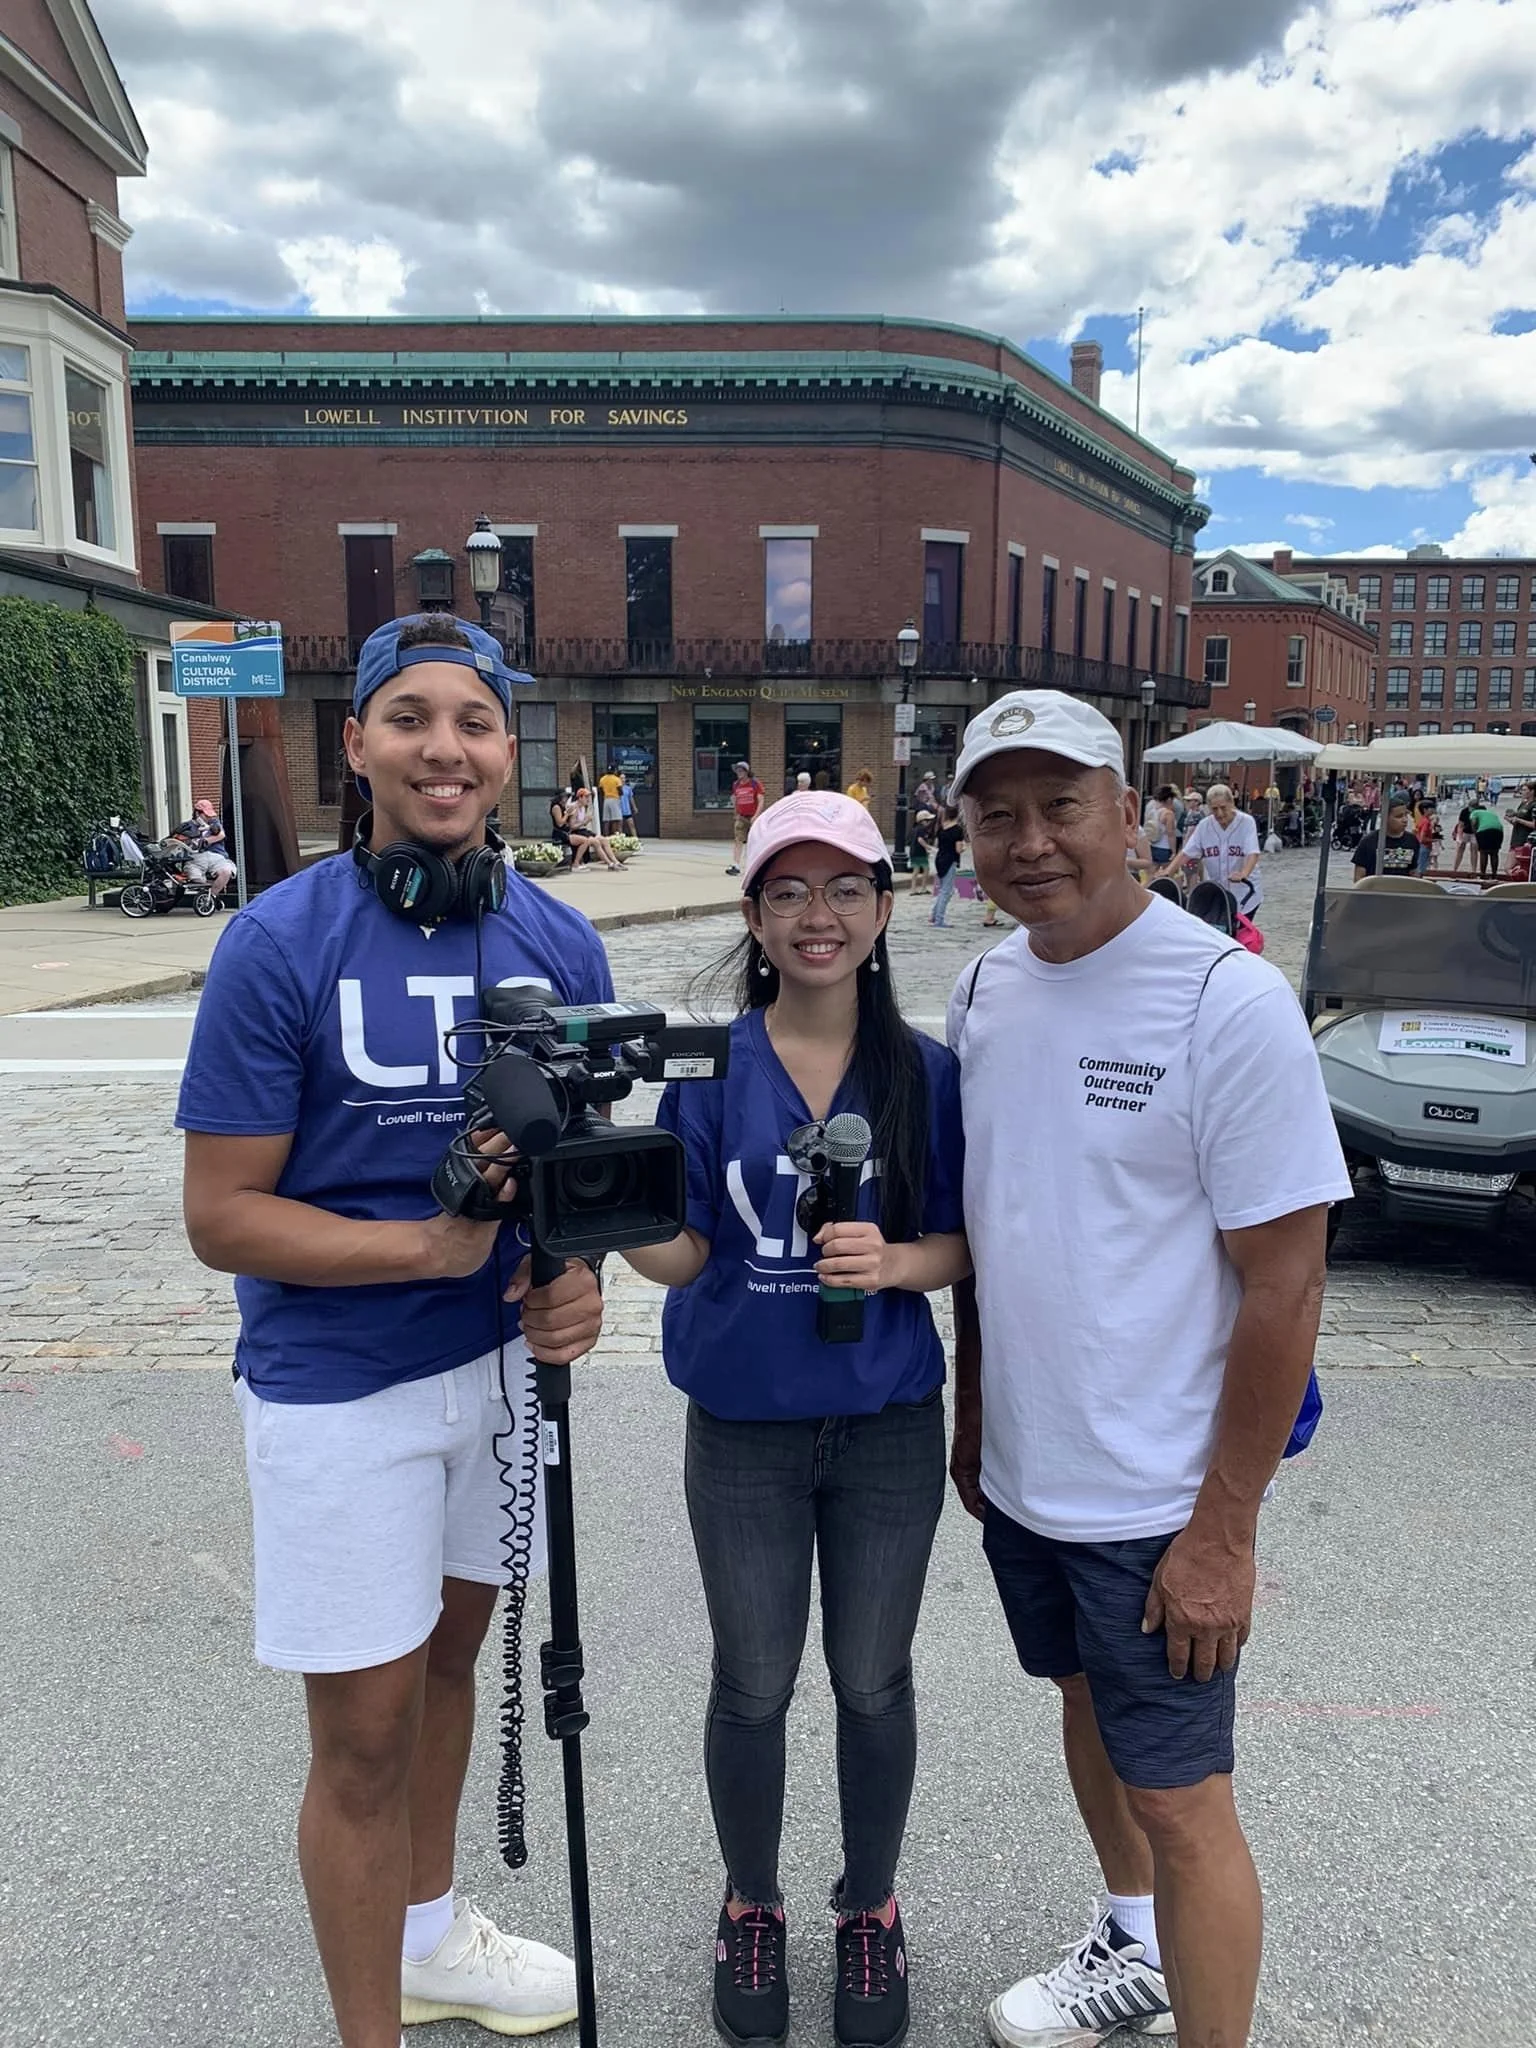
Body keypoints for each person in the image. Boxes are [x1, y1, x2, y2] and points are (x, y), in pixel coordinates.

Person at [176, 613, 612, 2048]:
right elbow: (224, 1215)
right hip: (339, 1386)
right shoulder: (276, 942)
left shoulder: (558, 938)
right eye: (410, 717)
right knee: (361, 1737)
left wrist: (574, 1276)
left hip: (500, 1378)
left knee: (446, 1666)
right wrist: (425, 1247)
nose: (445, 748)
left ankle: (428, 1939)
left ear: (508, 746)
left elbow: (574, 1178)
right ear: (357, 740)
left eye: (474, 721)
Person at [942, 689, 1349, 2048]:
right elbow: (1001, 1225)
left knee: (1183, 1798)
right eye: (998, 815)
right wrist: (975, 1412)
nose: (1031, 842)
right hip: (1031, 1470)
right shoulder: (986, 988)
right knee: (1086, 1706)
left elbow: (1288, 1281)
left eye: (1062, 806)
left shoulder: (1225, 999)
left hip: (1159, 1494)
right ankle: (1132, 1940)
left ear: (1130, 814)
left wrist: (1224, 1529)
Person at [621, 790, 970, 2048]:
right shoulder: (711, 1069)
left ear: (883, 906)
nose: (817, 915)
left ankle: (869, 1904)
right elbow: (685, 1248)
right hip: (744, 1427)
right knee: (754, 1678)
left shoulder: (925, 1071)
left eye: (843, 889)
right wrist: (607, 1211)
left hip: (884, 1425)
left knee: (873, 1679)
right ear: (754, 914)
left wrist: (897, 1262)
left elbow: (964, 1240)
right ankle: (751, 1900)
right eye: (788, 891)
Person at [1158, 783, 1263, 923]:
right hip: (1217, 892)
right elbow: (1187, 853)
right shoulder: (1204, 826)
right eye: (1214, 809)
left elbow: (1253, 853)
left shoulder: (1246, 822)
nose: (1219, 813)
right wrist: (1168, 871)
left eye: (1223, 808)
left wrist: (1244, 873)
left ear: (1231, 803)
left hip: (1244, 892)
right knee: (1220, 929)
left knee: (1240, 930)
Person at [168, 798, 238, 898]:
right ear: (197, 813)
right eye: (206, 815)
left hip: (217, 856)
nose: (209, 818)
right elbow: (176, 839)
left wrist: (205, 840)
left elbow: (221, 835)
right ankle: (205, 895)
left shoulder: (214, 823)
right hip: (196, 858)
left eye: (210, 815)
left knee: (226, 871)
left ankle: (211, 897)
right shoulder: (187, 826)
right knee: (195, 878)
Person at [1352, 792, 1421, 881]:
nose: (1404, 820)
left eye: (1406, 815)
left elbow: (1414, 872)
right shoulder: (1368, 842)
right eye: (1399, 816)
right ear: (1385, 817)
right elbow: (1359, 877)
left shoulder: (1412, 840)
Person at [727, 760, 767, 876]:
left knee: (754, 841)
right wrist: (736, 813)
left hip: (753, 816)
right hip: (741, 817)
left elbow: (761, 800)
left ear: (746, 772)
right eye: (737, 771)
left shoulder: (755, 784)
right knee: (738, 840)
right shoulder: (736, 785)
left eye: (741, 770)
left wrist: (756, 816)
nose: (738, 773)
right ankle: (736, 865)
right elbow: (736, 799)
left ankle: (755, 865)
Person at [568, 786, 624, 870]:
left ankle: (616, 861)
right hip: (576, 832)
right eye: (586, 797)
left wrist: (586, 820)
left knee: (604, 840)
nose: (588, 799)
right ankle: (609, 864)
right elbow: (572, 826)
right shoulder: (574, 808)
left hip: (583, 831)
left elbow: (583, 823)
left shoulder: (584, 807)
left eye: (588, 797)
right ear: (580, 798)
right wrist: (584, 821)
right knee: (595, 842)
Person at [929, 805, 965, 927]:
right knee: (946, 891)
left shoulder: (941, 828)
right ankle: (939, 919)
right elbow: (958, 849)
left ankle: (934, 915)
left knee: (942, 890)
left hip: (940, 859)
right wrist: (964, 847)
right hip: (950, 860)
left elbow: (938, 844)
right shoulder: (958, 830)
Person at [1470, 794, 1505, 878]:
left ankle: (1483, 874)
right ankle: (1494, 874)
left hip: (1484, 830)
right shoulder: (1491, 813)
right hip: (1498, 831)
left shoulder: (1474, 812)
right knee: (1494, 853)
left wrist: (1475, 833)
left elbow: (1473, 822)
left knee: (1483, 852)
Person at [1142, 787, 1177, 870]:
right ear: (1169, 799)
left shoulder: (1152, 810)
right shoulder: (1168, 814)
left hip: (1152, 845)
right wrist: (1174, 851)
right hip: (1165, 847)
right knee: (1166, 872)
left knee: (1153, 872)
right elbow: (1170, 834)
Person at [909, 806, 937, 896]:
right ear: (922, 821)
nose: (929, 822)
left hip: (913, 852)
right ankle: (923, 888)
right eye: (927, 820)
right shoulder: (922, 829)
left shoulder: (915, 829)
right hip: (920, 853)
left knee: (916, 870)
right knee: (926, 869)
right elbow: (920, 840)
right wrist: (928, 847)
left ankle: (913, 889)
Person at [1413, 796, 1438, 874]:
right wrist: (1433, 840)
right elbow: (1422, 838)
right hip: (1424, 846)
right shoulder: (1426, 822)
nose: (1433, 810)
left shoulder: (1423, 820)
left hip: (1422, 846)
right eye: (1431, 808)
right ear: (1425, 810)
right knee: (1421, 868)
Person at [597, 764, 624, 832]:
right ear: (614, 770)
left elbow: (600, 790)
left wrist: (605, 795)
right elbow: (620, 791)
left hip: (606, 800)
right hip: (615, 799)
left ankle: (606, 835)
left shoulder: (602, 779)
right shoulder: (616, 779)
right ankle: (615, 835)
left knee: (606, 820)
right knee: (616, 819)